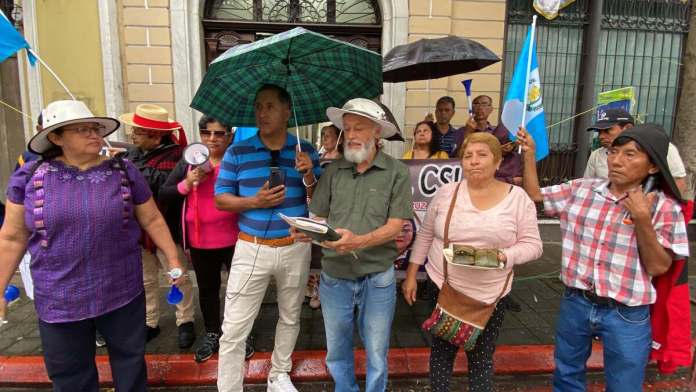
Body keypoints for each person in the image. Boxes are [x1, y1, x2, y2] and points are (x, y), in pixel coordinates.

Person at [0, 100, 186, 391]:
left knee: (130, 364)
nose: (94, 135)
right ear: (56, 137)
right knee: (70, 374)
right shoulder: (30, 177)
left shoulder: (123, 171)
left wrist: (173, 259)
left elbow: (152, 218)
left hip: (121, 290)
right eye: (82, 130)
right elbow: (12, 237)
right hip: (60, 296)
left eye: (95, 128)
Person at [517, 124, 689, 392]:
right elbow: (535, 197)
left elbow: (658, 266)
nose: (616, 160)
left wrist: (642, 219)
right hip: (576, 302)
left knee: (624, 385)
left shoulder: (665, 209)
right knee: (566, 376)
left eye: (630, 155)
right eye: (613, 152)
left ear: (653, 167)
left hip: (627, 312)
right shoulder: (582, 190)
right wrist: (529, 154)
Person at [402, 132, 542, 392]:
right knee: (441, 356)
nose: (474, 161)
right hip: (444, 287)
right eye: (468, 156)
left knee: (480, 359)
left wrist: (505, 256)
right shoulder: (446, 193)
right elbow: (425, 235)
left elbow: (534, 246)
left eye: (482, 155)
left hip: (490, 296)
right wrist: (411, 274)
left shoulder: (518, 199)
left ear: (498, 162)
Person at [296, 98, 412, 392]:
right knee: (337, 351)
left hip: (378, 276)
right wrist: (309, 232)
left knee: (376, 350)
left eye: (359, 127)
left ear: (377, 132)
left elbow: (396, 226)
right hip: (334, 276)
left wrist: (359, 241)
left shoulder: (396, 171)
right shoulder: (334, 171)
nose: (351, 134)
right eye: (347, 128)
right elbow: (319, 216)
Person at [214, 84, 320, 392]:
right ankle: (230, 387)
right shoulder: (238, 150)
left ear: (288, 111)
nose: (262, 113)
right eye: (259, 106)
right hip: (251, 247)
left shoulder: (305, 150)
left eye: (271, 106)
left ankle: (279, 374)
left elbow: (320, 203)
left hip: (295, 246)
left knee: (290, 315)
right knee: (234, 327)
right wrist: (254, 202)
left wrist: (310, 175)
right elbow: (221, 199)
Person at [159, 116, 255, 363]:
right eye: (206, 133)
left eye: (218, 133)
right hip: (200, 242)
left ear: (229, 135)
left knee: (240, 291)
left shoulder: (237, 162)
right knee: (208, 290)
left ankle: (241, 334)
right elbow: (165, 194)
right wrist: (187, 183)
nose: (212, 138)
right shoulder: (189, 162)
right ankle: (213, 332)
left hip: (236, 238)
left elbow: (250, 195)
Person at [120, 104, 196, 348]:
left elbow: (160, 186)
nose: (132, 137)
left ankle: (185, 320)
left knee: (178, 276)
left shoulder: (179, 156)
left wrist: (130, 167)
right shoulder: (133, 155)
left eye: (137, 133)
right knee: (145, 279)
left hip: (168, 229)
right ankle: (150, 320)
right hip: (138, 230)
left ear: (154, 135)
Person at [583, 108, 688, 194]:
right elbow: (587, 185)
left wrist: (665, 209)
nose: (601, 136)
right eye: (613, 153)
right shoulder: (596, 155)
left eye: (607, 131)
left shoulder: (663, 148)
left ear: (627, 128)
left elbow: (678, 181)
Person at [460, 95, 522, 185]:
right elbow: (458, 158)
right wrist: (468, 132)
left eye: (484, 104)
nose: (480, 107)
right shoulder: (462, 131)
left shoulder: (499, 132)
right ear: (471, 107)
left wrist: (513, 146)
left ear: (491, 109)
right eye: (476, 104)